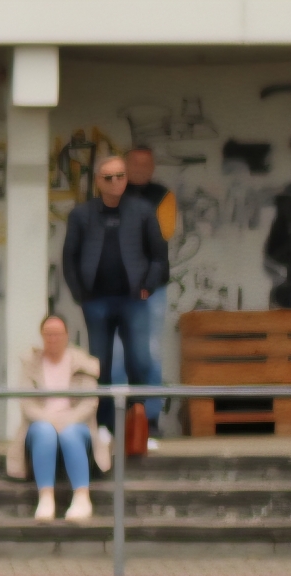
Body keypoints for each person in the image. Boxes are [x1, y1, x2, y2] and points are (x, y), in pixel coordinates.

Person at [61, 156, 166, 453]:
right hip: (97, 302)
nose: (115, 182)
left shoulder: (142, 211)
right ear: (98, 181)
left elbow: (159, 255)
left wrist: (147, 287)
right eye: (108, 177)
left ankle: (144, 426)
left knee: (140, 362)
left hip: (134, 300)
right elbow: (69, 257)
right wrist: (80, 293)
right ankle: (104, 426)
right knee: (100, 366)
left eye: (120, 176)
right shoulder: (82, 214)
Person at [17, 314, 103, 522]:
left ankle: (82, 498)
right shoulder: (31, 364)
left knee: (70, 433)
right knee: (44, 430)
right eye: (48, 334)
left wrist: (67, 420)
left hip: (76, 423)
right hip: (42, 423)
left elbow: (90, 402)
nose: (53, 339)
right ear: (41, 336)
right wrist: (49, 419)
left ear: (66, 335)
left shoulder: (82, 363)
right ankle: (46, 498)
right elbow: (27, 403)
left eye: (57, 334)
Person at [123, 146, 176, 432]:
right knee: (116, 354)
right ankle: (118, 420)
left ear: (153, 167)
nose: (140, 169)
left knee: (150, 352)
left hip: (151, 287)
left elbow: (162, 234)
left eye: (146, 164)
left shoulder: (163, 195)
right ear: (125, 165)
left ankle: (150, 419)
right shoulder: (112, 192)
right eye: (135, 164)